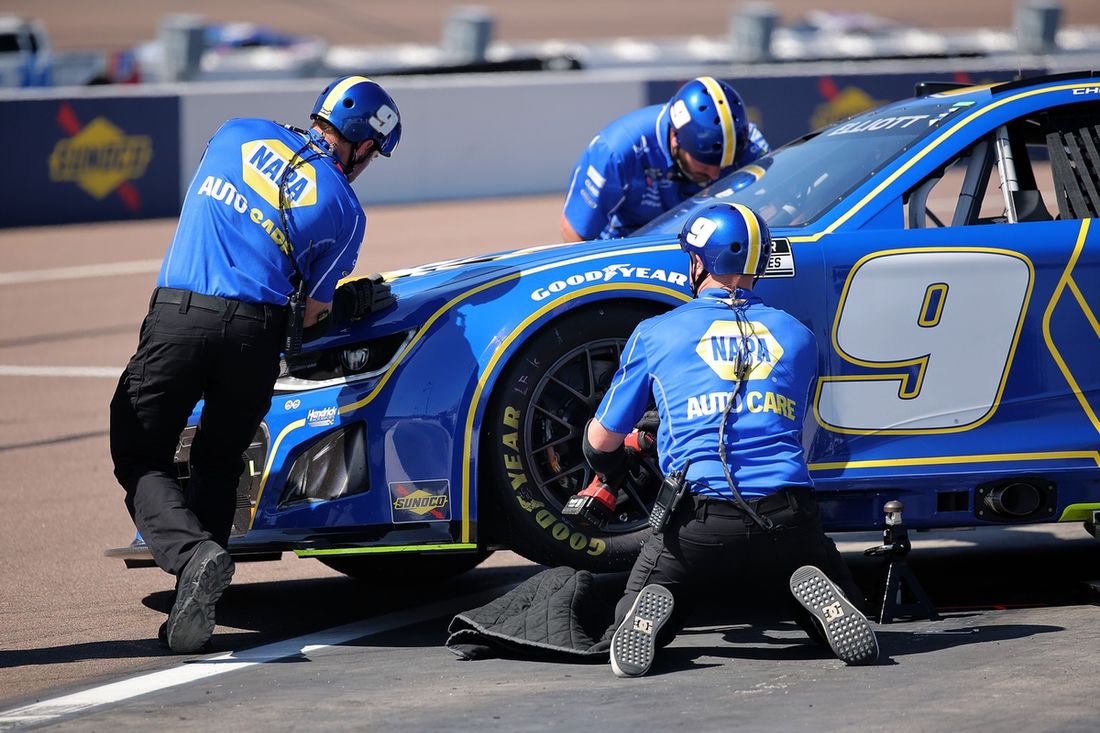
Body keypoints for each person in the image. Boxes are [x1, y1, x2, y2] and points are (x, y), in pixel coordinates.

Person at [109, 75, 401, 653]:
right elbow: (314, 313)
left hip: (180, 317)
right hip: (256, 338)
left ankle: (195, 559)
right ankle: (201, 596)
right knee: (219, 461)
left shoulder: (234, 133)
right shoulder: (345, 209)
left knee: (139, 451)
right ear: (365, 145)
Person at [579, 201, 878, 677]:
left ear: (698, 262)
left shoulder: (656, 333)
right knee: (819, 584)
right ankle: (815, 592)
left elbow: (602, 440)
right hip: (789, 513)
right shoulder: (798, 335)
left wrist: (627, 454)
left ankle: (661, 600)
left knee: (647, 603)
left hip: (701, 522)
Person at [560, 76, 769, 243]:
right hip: (632, 246)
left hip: (713, 246)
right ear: (676, 139)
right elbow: (576, 233)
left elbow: (782, 202)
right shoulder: (617, 151)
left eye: (726, 166)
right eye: (706, 163)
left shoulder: (753, 144)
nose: (715, 175)